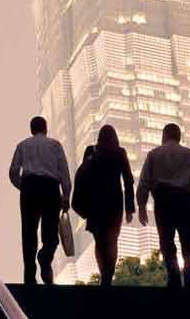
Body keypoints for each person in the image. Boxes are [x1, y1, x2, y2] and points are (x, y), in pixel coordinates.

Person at [136, 122, 190, 290]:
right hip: (185, 201)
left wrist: (141, 205)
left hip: (163, 201)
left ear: (164, 136)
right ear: (179, 136)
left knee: (167, 242)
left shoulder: (153, 155)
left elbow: (144, 182)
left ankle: (174, 277)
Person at [8, 115, 70, 286]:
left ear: (31, 129)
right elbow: (64, 172)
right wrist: (66, 195)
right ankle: (45, 255)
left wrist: (23, 186)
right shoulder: (55, 145)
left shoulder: (23, 145)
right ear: (46, 128)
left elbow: (13, 172)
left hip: (30, 188)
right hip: (51, 188)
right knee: (51, 231)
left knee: (28, 233)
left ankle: (29, 278)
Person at [72, 125, 136, 286]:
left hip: (95, 202)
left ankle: (104, 275)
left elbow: (82, 175)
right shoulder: (120, 153)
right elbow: (128, 181)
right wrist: (129, 208)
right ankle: (108, 277)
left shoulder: (90, 151)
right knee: (112, 240)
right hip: (114, 202)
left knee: (99, 240)